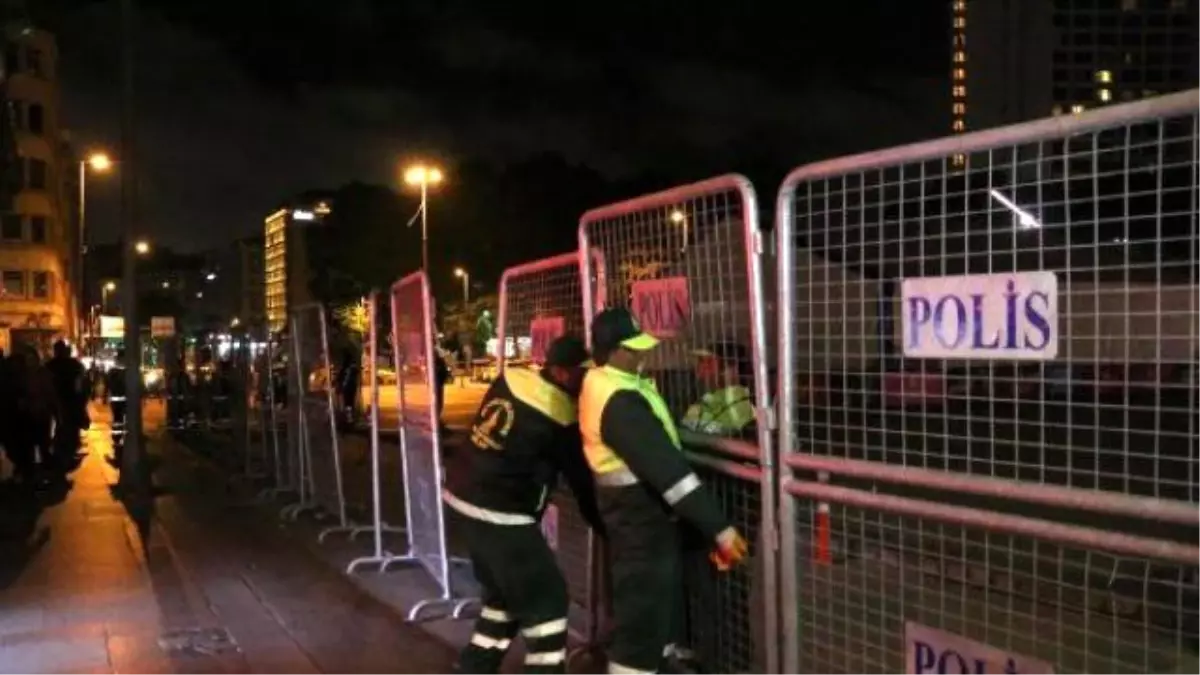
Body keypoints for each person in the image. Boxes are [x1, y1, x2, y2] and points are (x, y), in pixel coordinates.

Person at [578, 308, 749, 675]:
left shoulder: (613, 383)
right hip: (640, 529)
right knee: (638, 639)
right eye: (632, 349)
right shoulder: (618, 401)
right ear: (611, 351)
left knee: (652, 626)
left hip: (639, 525)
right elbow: (672, 476)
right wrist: (719, 528)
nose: (642, 355)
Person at [445, 336, 603, 674]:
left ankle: (475, 665)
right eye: (581, 374)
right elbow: (580, 481)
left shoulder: (513, 379)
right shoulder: (559, 415)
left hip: (462, 493)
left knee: (504, 595)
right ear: (561, 373)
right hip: (502, 511)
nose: (586, 381)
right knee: (547, 600)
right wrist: (604, 525)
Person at [681, 342, 757, 439]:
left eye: (708, 361)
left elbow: (724, 433)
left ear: (729, 368)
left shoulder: (737, 399)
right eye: (700, 361)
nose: (700, 366)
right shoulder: (707, 396)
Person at [46, 340, 87, 473]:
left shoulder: (51, 365)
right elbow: (81, 384)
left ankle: (62, 454)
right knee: (69, 428)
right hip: (69, 401)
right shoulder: (73, 365)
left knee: (61, 426)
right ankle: (66, 454)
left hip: (60, 401)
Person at [105, 349, 129, 466]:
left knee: (117, 421)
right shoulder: (127, 371)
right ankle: (120, 439)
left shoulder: (113, 372)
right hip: (124, 401)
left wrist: (105, 396)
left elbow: (107, 385)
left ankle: (117, 440)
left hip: (117, 402)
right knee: (120, 422)